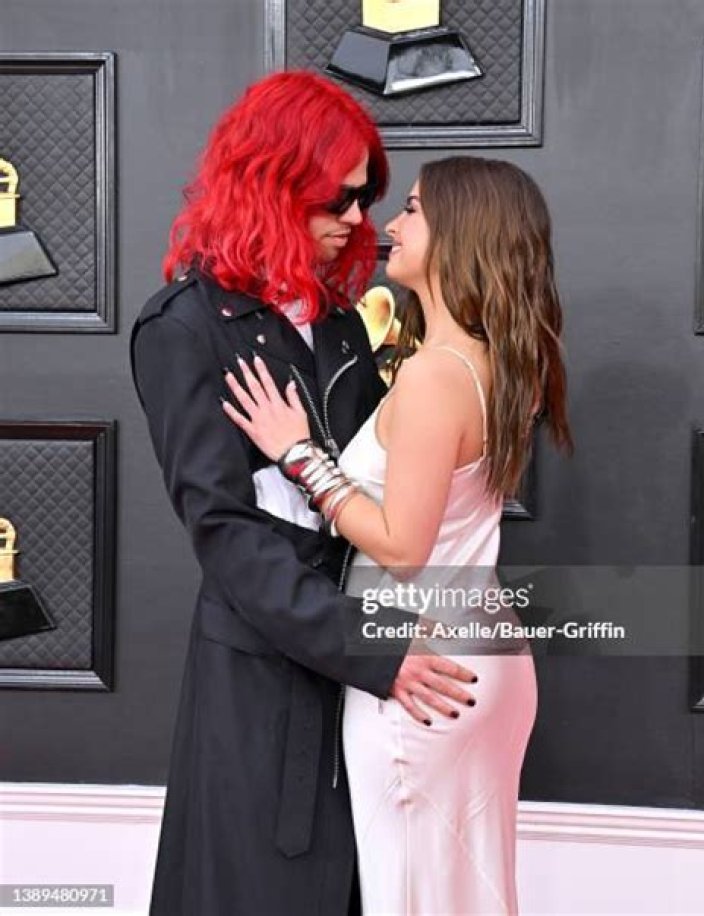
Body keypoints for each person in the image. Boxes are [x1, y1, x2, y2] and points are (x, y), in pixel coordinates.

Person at [130, 72, 479, 916]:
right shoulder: (182, 328)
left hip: (378, 682)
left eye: (370, 197)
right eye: (340, 197)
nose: (360, 219)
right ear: (273, 182)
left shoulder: (341, 316)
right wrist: (370, 647)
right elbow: (224, 532)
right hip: (263, 685)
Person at [222, 155, 574, 914]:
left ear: (459, 231)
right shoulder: (494, 361)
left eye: (412, 209)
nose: (389, 225)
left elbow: (402, 545)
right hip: (482, 659)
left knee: (413, 897)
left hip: (422, 674)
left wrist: (300, 456)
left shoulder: (434, 376)